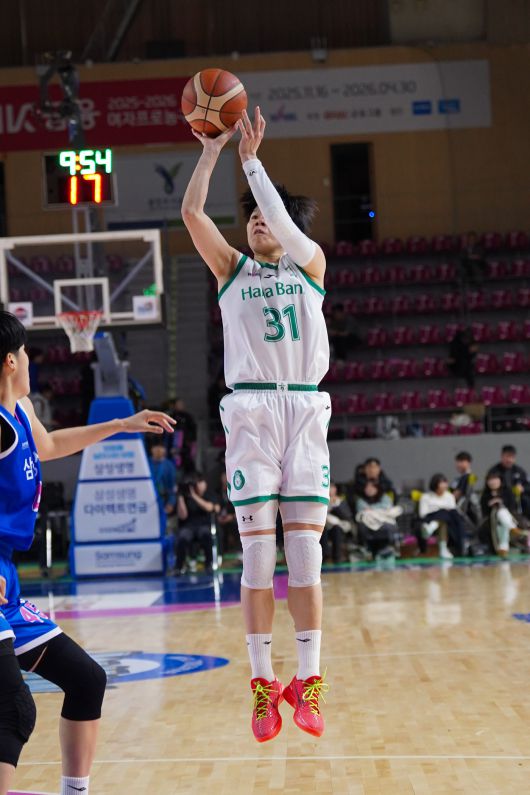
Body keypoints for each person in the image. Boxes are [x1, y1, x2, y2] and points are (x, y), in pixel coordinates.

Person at [182, 106, 331, 742]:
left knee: (306, 554)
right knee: (258, 556)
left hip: (304, 409)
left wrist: (252, 163)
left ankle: (310, 680)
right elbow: (192, 214)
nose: (257, 220)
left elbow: (284, 221)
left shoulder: (310, 264)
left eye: (267, 215)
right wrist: (213, 153)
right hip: (250, 413)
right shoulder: (232, 271)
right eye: (250, 217)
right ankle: (263, 684)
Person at [0, 310, 175, 795]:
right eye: (26, 352)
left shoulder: (20, 410)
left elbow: (51, 444)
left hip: (8, 580)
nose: (31, 361)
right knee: (13, 710)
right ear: (11, 361)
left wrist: (122, 423)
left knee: (87, 680)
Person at [176, 473, 219, 574]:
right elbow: (183, 516)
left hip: (203, 525)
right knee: (182, 537)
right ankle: (178, 567)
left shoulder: (209, 495)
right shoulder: (185, 496)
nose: (198, 485)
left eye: (200, 482)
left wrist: (194, 496)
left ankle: (208, 564)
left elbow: (210, 508)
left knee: (206, 534)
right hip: (188, 527)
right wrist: (180, 497)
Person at [419, 474, 467, 559]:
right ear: (435, 484)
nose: (444, 485)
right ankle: (443, 549)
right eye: (441, 483)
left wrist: (441, 509)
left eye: (445, 482)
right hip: (429, 519)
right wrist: (438, 510)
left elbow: (452, 511)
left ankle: (431, 528)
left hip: (448, 523)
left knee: (446, 516)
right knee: (442, 516)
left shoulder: (449, 496)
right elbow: (422, 513)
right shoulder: (426, 497)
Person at [479, 471, 526, 557]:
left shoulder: (507, 492)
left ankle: (503, 547)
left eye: (495, 479)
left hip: (510, 517)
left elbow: (512, 507)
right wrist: (492, 504)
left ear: (500, 480)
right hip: (491, 520)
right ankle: (512, 528)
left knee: (502, 513)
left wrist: (501, 502)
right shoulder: (485, 495)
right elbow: (484, 511)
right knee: (500, 516)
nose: (493, 482)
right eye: (490, 480)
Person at [355, 481, 402, 560]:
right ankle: (369, 551)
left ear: (377, 488)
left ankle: (388, 549)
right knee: (363, 525)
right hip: (368, 523)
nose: (369, 489)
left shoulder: (385, 497)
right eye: (367, 487)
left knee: (388, 526)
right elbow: (362, 511)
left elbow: (387, 509)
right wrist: (375, 510)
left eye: (372, 487)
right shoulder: (360, 500)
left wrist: (372, 509)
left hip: (384, 521)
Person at [487, 445, 530, 518]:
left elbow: (527, 485)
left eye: (512, 457)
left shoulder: (519, 471)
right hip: (501, 501)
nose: (509, 460)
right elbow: (490, 489)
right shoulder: (494, 471)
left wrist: (522, 488)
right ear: (502, 456)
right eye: (507, 456)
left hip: (519, 503)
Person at [321, 482, 352, 564]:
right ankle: (324, 556)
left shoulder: (341, 501)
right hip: (325, 526)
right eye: (328, 487)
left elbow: (347, 516)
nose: (330, 490)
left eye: (332, 487)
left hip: (339, 526)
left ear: (335, 489)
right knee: (323, 529)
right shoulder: (322, 501)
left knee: (336, 529)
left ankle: (337, 557)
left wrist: (335, 506)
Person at [450, 451, 481, 527]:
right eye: (457, 462)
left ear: (468, 463)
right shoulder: (458, 479)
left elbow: (457, 494)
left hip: (465, 511)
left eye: (461, 461)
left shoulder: (468, 477)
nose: (458, 464)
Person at [149, 440, 178, 517]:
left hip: (164, 501)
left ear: (165, 450)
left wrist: (171, 502)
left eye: (161, 447)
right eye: (156, 447)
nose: (159, 450)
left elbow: (172, 486)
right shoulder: (146, 463)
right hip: (148, 499)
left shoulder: (169, 465)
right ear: (152, 449)